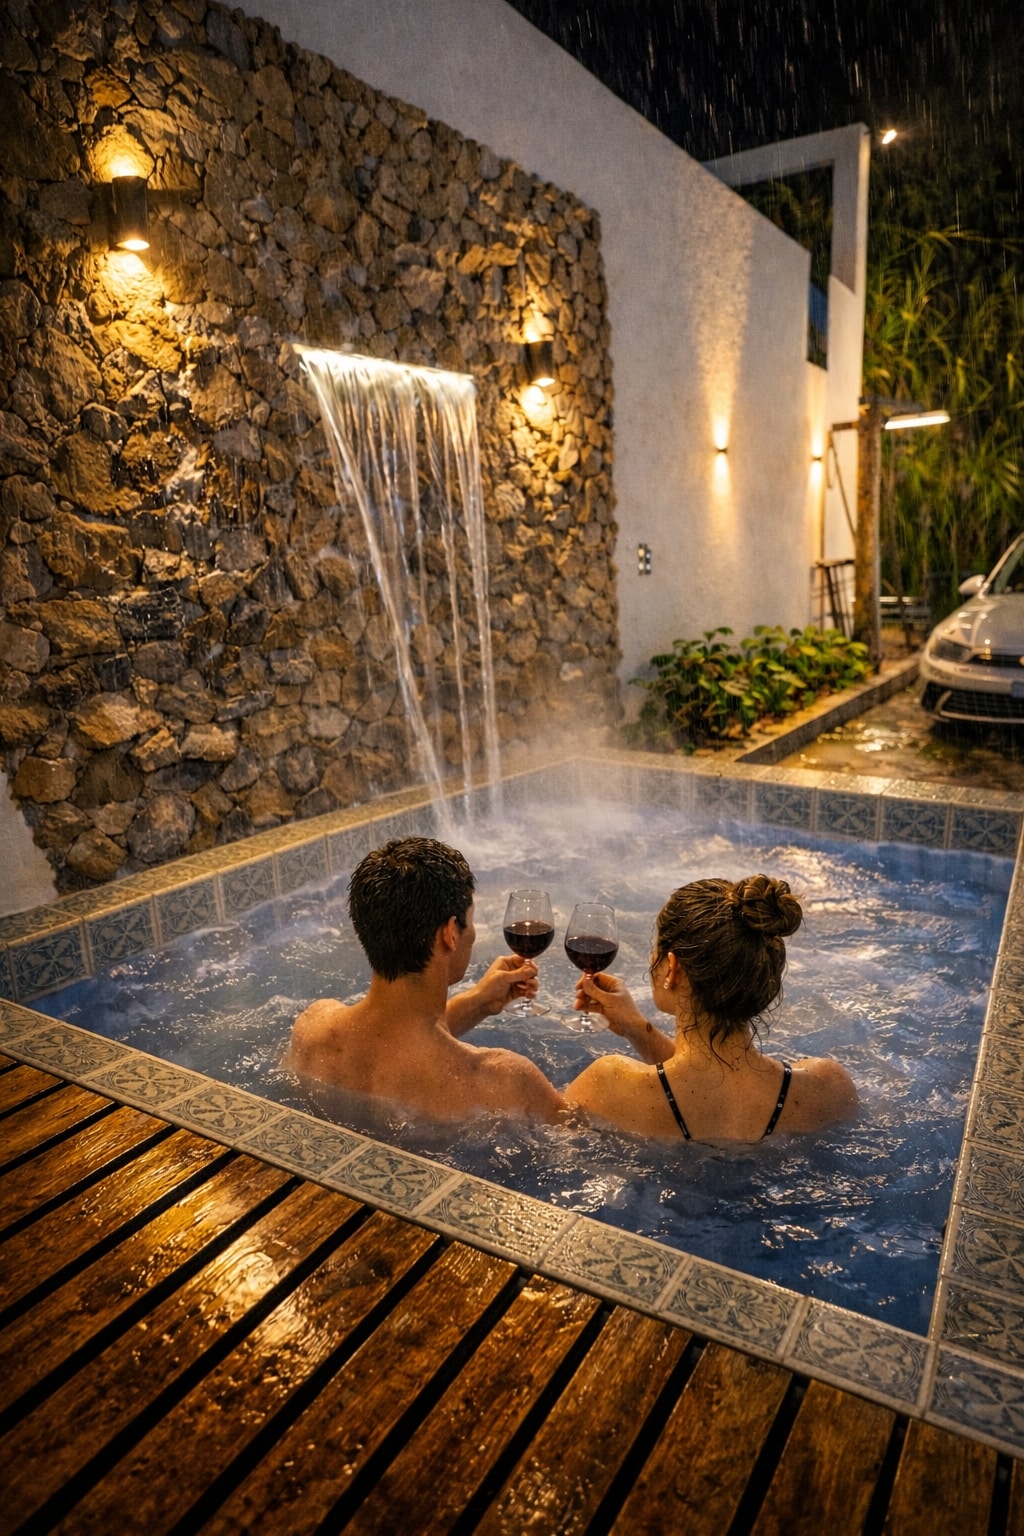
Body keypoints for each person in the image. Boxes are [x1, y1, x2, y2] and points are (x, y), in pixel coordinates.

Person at [285, 836, 566, 1123]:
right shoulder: (505, 1083)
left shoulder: (310, 1030)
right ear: (450, 933)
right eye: (471, 921)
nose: (472, 934)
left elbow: (397, 1041)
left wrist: (479, 1002)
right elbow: (576, 1131)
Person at [563, 874, 858, 1141]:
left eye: (656, 950)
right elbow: (714, 1081)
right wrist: (638, 1029)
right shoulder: (830, 1088)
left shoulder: (609, 1085)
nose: (652, 959)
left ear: (672, 968)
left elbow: (548, 1125)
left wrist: (526, 993)